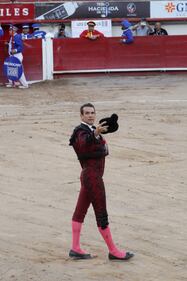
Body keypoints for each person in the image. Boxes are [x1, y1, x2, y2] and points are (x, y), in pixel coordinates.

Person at [69, 103, 134, 261]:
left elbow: (99, 146)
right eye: (87, 113)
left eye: (92, 113)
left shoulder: (92, 131)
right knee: (101, 213)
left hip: (90, 177)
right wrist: (96, 134)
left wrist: (98, 133)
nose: (90, 115)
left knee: (80, 211)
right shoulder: (80, 132)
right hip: (92, 177)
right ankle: (113, 251)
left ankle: (75, 248)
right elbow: (83, 145)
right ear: (81, 116)